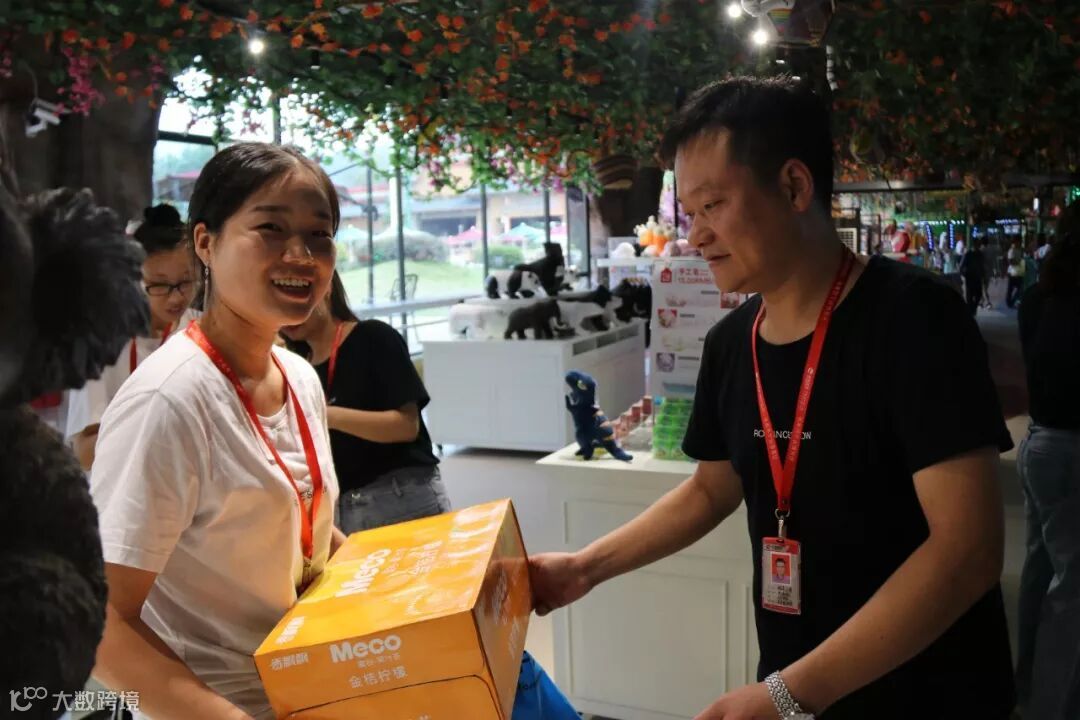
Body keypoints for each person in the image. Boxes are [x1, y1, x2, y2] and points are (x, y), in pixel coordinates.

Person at [528, 77, 1014, 720]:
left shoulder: (915, 320)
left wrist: (788, 694)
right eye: (689, 214)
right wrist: (584, 568)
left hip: (931, 693)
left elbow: (968, 551)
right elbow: (710, 490)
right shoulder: (732, 343)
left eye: (713, 205)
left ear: (793, 186)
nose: (696, 235)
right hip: (798, 686)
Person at [89, 143, 346, 720]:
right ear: (205, 243)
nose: (301, 255)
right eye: (271, 228)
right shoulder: (170, 398)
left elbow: (302, 534)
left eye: (320, 235)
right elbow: (101, 620)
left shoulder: (298, 375)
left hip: (309, 687)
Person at [280, 272, 448, 533]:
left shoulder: (373, 337)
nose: (289, 315)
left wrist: (327, 415)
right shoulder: (297, 366)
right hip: (341, 510)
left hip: (398, 497)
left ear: (326, 288)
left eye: (296, 297)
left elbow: (406, 426)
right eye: (278, 306)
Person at [67, 204, 199, 469]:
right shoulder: (101, 339)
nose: (176, 297)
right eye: (159, 284)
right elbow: (85, 453)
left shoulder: (203, 330)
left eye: (185, 282)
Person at [1014, 202, 1080, 720]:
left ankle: (1025, 686)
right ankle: (1051, 707)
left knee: (1040, 572)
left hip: (1038, 446)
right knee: (1071, 589)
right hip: (1073, 451)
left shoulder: (1039, 297)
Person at [959, 239, 987, 316]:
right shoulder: (968, 254)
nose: (978, 246)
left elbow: (982, 266)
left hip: (977, 277)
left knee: (978, 295)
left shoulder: (980, 254)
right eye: (977, 244)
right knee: (970, 296)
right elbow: (961, 266)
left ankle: (972, 309)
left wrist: (983, 275)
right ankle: (971, 311)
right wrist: (965, 274)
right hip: (970, 277)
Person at [1007, 239, 1026, 308]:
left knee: (1020, 289)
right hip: (1013, 272)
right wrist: (1018, 262)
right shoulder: (1012, 250)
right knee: (1011, 289)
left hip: (1019, 272)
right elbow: (1010, 261)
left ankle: (1011, 301)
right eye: (1019, 242)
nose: (1020, 244)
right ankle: (1009, 302)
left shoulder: (1020, 250)